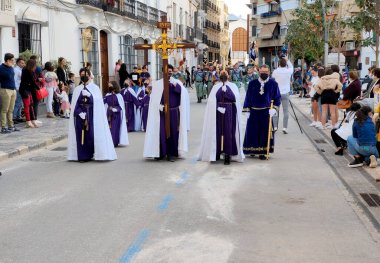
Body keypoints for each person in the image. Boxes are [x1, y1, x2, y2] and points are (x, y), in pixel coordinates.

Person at [67, 68, 117, 162]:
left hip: (92, 115)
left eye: (85, 74)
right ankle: (83, 156)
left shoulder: (95, 88)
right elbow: (74, 104)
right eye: (81, 75)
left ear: (90, 76)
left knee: (91, 135)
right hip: (80, 115)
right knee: (81, 135)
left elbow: (99, 102)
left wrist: (90, 96)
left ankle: (93, 153)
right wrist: (79, 112)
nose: (83, 76)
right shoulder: (78, 89)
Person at [143, 64, 190, 161]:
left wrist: (175, 85)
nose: (169, 74)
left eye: (170, 72)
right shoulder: (157, 84)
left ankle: (171, 153)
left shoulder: (176, 82)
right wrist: (159, 106)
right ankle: (161, 152)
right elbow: (154, 100)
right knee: (161, 132)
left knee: (173, 132)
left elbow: (182, 94)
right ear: (162, 72)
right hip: (162, 112)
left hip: (173, 112)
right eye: (167, 72)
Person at [198, 70, 244, 165]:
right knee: (217, 132)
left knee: (228, 132)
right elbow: (211, 100)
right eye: (222, 74)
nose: (223, 75)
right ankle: (216, 152)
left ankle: (228, 154)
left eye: (225, 74)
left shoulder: (233, 86)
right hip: (218, 112)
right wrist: (220, 94)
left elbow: (235, 98)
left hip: (229, 112)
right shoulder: (216, 87)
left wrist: (227, 91)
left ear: (228, 76)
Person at [242, 64, 281, 160]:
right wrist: (247, 109)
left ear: (269, 72)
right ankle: (252, 150)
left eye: (266, 72)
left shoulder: (273, 84)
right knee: (252, 131)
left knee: (264, 132)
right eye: (262, 72)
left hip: (266, 112)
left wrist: (274, 109)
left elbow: (277, 98)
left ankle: (263, 152)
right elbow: (248, 97)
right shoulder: (252, 83)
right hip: (254, 111)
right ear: (259, 71)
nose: (264, 73)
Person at [272, 57, 294, 134]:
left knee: (275, 110)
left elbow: (273, 79)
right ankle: (285, 128)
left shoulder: (275, 71)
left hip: (277, 93)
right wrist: (288, 60)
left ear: (279, 64)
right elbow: (291, 67)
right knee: (285, 111)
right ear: (286, 64)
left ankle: (275, 126)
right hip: (286, 93)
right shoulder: (288, 71)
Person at [104, 81, 129, 147]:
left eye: (110, 86)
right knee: (109, 128)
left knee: (114, 128)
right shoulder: (107, 95)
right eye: (108, 86)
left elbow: (121, 107)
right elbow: (104, 103)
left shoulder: (119, 96)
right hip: (109, 114)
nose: (109, 87)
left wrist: (116, 109)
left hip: (116, 115)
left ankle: (114, 142)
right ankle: (109, 142)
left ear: (114, 86)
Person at [0, 53, 18, 133]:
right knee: (4, 110)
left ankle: (11, 126)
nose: (14, 62)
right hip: (5, 90)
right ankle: (3, 127)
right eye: (12, 60)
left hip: (13, 90)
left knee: (11, 109)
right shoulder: (1, 68)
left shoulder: (11, 67)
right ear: (8, 60)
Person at [19, 59, 39, 128]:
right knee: (27, 106)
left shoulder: (30, 71)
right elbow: (32, 81)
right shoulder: (26, 70)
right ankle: (28, 121)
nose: (35, 67)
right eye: (35, 65)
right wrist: (39, 88)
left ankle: (32, 120)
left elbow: (33, 81)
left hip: (28, 90)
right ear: (32, 65)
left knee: (31, 105)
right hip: (24, 90)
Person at [13, 57, 25, 124]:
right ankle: (14, 117)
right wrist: (15, 88)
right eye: (21, 63)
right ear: (18, 63)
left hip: (20, 88)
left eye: (23, 63)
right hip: (17, 88)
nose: (23, 64)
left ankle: (18, 117)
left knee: (20, 104)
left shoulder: (21, 70)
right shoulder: (16, 70)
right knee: (17, 103)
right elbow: (14, 80)